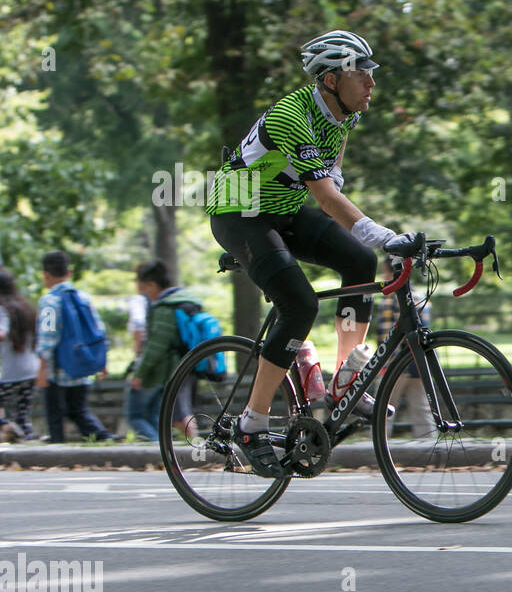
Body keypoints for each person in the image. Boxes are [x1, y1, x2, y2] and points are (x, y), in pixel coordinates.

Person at [204, 29, 411, 477]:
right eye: (363, 75)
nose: (372, 84)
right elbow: (326, 198)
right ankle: (251, 425)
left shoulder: (345, 117)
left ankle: (342, 380)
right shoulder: (291, 116)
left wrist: (371, 239)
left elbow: (332, 179)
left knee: (358, 260)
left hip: (283, 209)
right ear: (332, 80)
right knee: (300, 303)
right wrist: (386, 234)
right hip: (240, 213)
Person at [34, 251, 117, 443]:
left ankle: (58, 450)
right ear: (69, 272)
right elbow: (99, 331)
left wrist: (42, 369)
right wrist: (101, 361)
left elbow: (48, 337)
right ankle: (105, 439)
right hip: (82, 365)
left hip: (58, 370)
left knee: (55, 416)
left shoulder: (49, 301)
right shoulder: (83, 298)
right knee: (78, 410)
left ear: (45, 274)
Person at [130, 260, 200, 438]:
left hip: (175, 368)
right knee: (181, 413)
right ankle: (196, 449)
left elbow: (156, 346)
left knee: (179, 417)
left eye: (144, 289)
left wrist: (140, 373)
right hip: (192, 362)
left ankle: (198, 452)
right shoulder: (185, 299)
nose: (144, 294)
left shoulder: (165, 307)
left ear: (152, 285)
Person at [373, 256, 435, 438]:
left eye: (384, 272)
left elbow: (387, 335)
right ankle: (429, 448)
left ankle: (377, 445)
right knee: (422, 409)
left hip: (397, 363)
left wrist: (385, 364)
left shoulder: (393, 299)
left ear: (392, 272)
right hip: (419, 362)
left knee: (382, 408)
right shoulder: (419, 296)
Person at [0, 266, 39, 442]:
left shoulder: (2, 308)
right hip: (31, 370)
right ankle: (25, 440)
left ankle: (7, 427)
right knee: (22, 415)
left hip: (10, 372)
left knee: (12, 414)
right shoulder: (25, 307)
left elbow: (1, 333)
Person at [122, 286, 160, 440]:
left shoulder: (139, 301)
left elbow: (138, 327)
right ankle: (162, 450)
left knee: (135, 416)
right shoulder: (163, 302)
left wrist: (138, 356)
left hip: (146, 365)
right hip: (165, 367)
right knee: (153, 416)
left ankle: (156, 449)